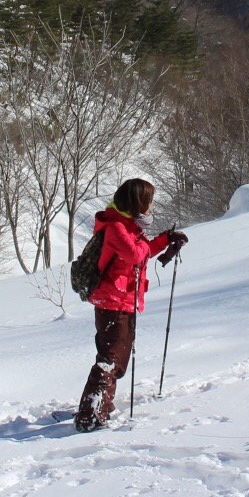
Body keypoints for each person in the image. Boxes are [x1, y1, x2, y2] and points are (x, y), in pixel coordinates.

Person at [74, 178, 187, 432]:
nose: (150, 208)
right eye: (148, 203)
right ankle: (89, 416)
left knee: (118, 359)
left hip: (124, 300)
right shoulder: (116, 227)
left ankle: (102, 403)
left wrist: (165, 239)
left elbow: (142, 249)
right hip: (112, 300)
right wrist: (151, 240)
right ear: (137, 203)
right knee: (110, 358)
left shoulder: (127, 225)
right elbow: (136, 254)